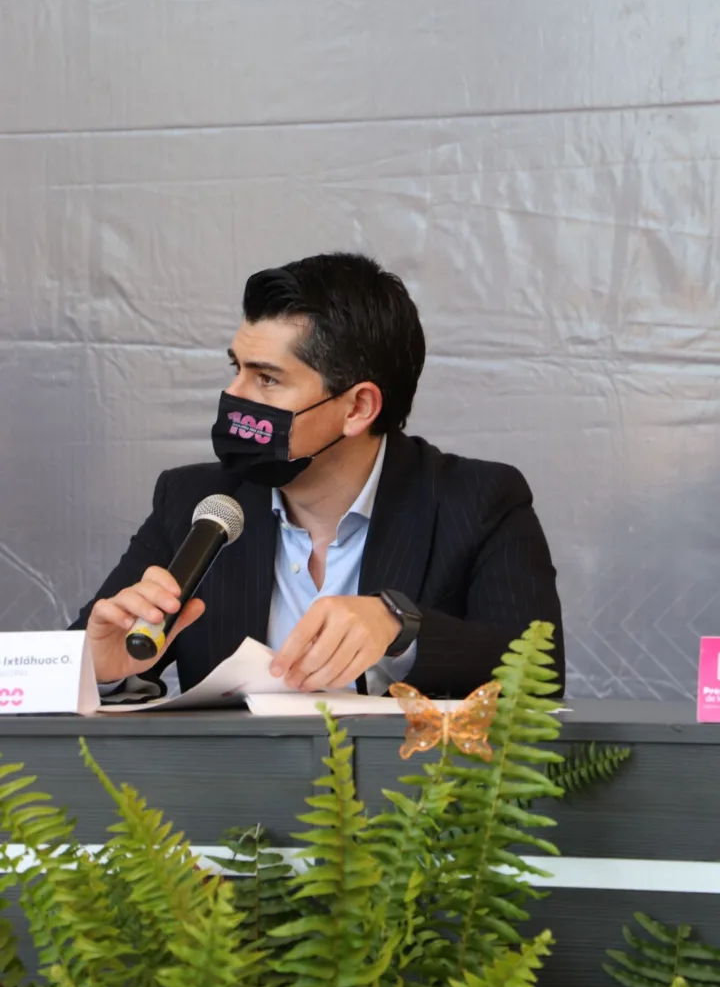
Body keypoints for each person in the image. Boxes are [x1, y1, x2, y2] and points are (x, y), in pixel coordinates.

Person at [71, 253, 565, 699]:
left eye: (266, 378)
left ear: (358, 407)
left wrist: (400, 631)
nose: (234, 396)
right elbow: (72, 664)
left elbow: (535, 675)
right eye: (236, 369)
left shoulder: (479, 502)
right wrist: (100, 671)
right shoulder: (195, 502)